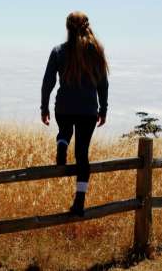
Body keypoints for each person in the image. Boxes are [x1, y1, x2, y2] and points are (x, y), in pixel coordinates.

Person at [40, 11, 109, 216]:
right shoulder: (96, 50)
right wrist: (103, 109)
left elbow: (48, 82)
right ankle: (79, 202)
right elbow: (103, 84)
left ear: (67, 28)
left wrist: (44, 108)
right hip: (88, 110)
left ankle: (62, 142)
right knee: (82, 155)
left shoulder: (58, 51)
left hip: (64, 107)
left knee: (64, 130)